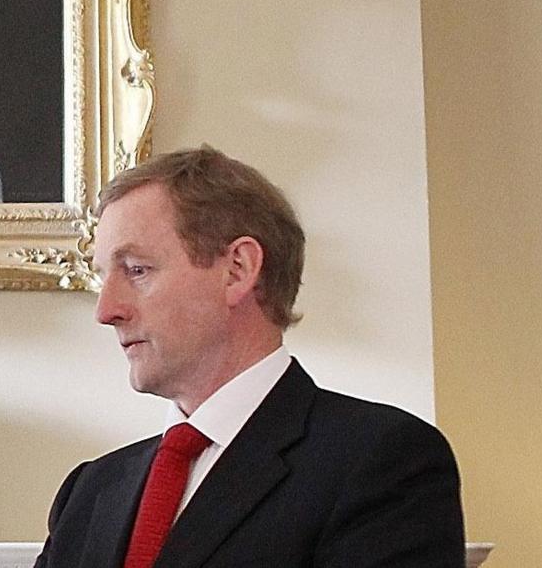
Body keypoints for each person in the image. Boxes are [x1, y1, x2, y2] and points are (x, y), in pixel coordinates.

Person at [36, 147, 464, 568]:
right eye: (102, 277)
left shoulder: (382, 461)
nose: (106, 310)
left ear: (238, 269)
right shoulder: (91, 491)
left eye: (136, 270)